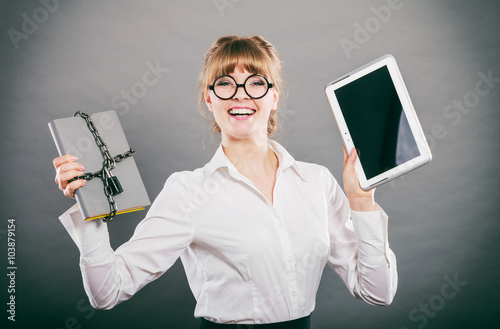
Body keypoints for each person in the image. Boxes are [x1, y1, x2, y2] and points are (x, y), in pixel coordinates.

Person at [53, 35, 397, 329]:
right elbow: (107, 292)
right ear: (209, 97)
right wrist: (91, 207)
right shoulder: (188, 192)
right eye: (225, 83)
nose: (240, 94)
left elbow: (377, 292)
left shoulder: (317, 182)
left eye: (256, 82)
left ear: (274, 96)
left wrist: (362, 202)